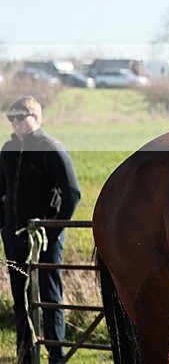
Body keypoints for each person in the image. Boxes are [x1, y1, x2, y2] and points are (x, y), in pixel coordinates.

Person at [0, 95, 81, 363]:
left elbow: (72, 193)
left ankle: (56, 357)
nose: (14, 122)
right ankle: (25, 355)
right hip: (14, 237)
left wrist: (53, 231)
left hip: (46, 238)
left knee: (50, 298)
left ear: (36, 118)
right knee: (20, 298)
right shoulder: (8, 149)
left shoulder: (51, 149)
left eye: (20, 117)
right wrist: (4, 228)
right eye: (11, 118)